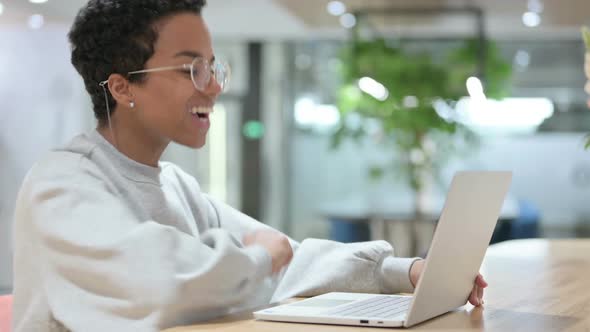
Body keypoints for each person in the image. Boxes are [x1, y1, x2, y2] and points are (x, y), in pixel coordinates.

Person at [11, 1, 487, 331]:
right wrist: (257, 256)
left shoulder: (176, 184)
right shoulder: (63, 185)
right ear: (121, 87)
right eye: (189, 69)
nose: (214, 87)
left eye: (213, 68)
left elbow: (287, 257)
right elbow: (162, 282)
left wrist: (406, 272)